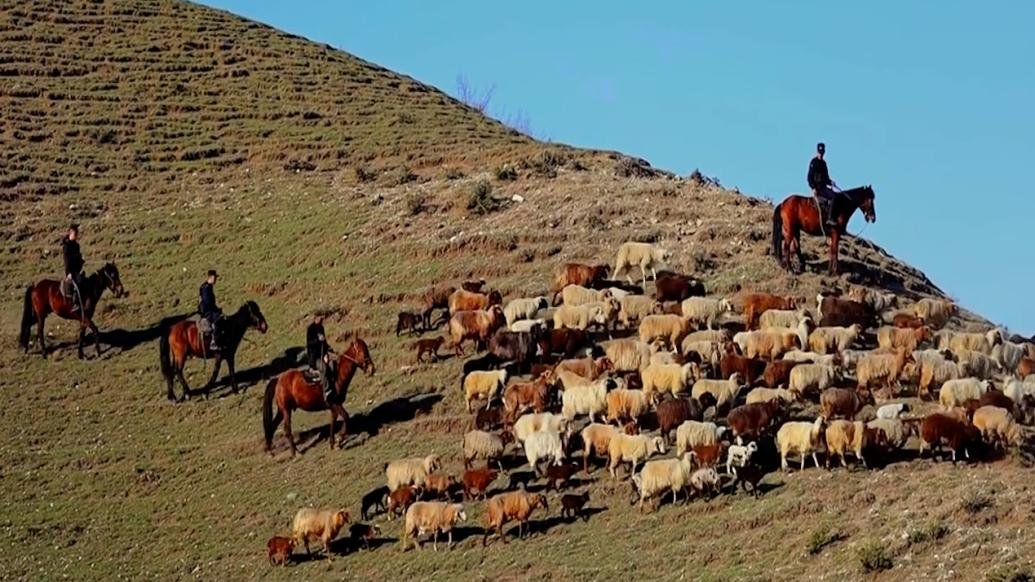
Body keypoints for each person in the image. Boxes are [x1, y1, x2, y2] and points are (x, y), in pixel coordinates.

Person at [807, 142, 840, 227]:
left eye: (822, 153)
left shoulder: (824, 164)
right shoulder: (813, 162)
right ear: (817, 151)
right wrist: (813, 188)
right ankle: (829, 218)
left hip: (823, 187)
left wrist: (831, 182)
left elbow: (826, 178)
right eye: (819, 152)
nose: (820, 154)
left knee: (835, 196)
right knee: (833, 197)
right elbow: (809, 177)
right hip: (818, 189)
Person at [305, 313, 336, 402]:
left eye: (322, 318)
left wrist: (328, 351)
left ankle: (333, 385)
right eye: (320, 318)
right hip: (315, 357)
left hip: (323, 354)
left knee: (332, 365)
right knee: (323, 368)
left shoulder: (321, 328)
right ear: (316, 318)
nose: (322, 320)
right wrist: (318, 340)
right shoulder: (310, 329)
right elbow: (309, 343)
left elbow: (324, 343)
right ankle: (326, 390)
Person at [62, 224, 85, 312]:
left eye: (77, 234)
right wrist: (68, 273)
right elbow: (66, 260)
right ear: (70, 234)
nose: (76, 236)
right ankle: (75, 303)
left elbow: (77, 257)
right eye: (75, 234)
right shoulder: (66, 246)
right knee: (77, 283)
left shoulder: (77, 245)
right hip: (71, 271)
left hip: (77, 270)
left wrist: (81, 261)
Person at [198, 270, 223, 351]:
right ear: (211, 277)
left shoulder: (208, 286)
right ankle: (213, 342)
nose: (216, 279)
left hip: (208, 309)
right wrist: (216, 310)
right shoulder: (206, 288)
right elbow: (208, 302)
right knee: (218, 320)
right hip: (207, 311)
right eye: (215, 277)